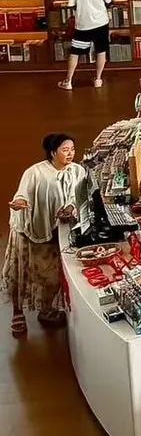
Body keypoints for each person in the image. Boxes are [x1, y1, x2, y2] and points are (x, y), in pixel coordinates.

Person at [4, 133, 88, 335]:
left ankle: (46, 309)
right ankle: (17, 312)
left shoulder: (77, 171)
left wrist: (70, 209)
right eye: (65, 150)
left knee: (52, 275)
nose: (70, 154)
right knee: (21, 272)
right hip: (29, 229)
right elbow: (22, 193)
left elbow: (77, 197)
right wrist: (20, 202)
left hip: (54, 229)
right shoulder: (34, 173)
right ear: (53, 152)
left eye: (72, 150)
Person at [61, 0, 113, 90]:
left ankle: (68, 81)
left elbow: (71, 5)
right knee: (101, 50)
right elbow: (108, 1)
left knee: (75, 51)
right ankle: (98, 79)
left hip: (83, 24)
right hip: (101, 22)